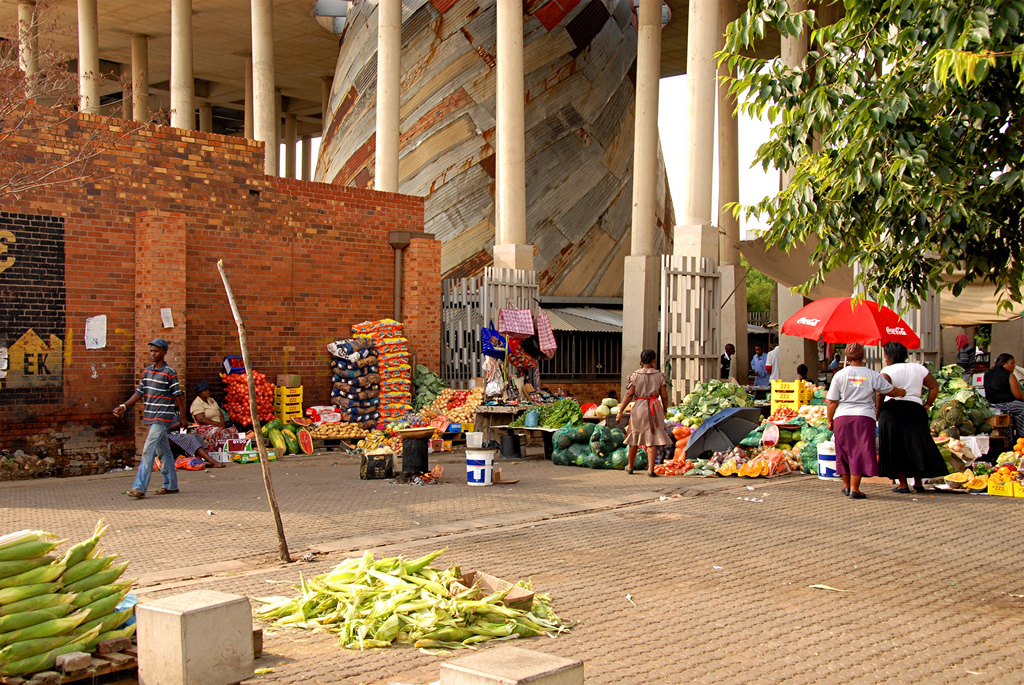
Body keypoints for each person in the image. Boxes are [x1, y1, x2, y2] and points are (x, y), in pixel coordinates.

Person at [826, 343, 906, 499]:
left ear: (847, 357)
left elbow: (832, 402)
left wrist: (829, 419)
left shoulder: (840, 375)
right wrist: (902, 391)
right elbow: (890, 390)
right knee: (860, 451)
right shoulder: (872, 374)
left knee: (844, 451)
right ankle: (855, 489)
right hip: (864, 417)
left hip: (842, 417)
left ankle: (846, 486)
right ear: (863, 356)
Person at [113, 338, 186, 498]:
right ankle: (171, 485)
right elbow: (140, 392)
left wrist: (183, 417)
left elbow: (178, 395)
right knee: (163, 451)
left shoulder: (169, 373)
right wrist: (124, 406)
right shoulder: (147, 372)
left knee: (148, 450)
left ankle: (139, 487)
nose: (152, 354)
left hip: (162, 418)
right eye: (151, 351)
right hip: (151, 417)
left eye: (156, 351)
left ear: (164, 352)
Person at [876, 342, 946, 493]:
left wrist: (878, 410)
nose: (885, 359)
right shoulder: (918, 368)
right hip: (915, 410)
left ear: (889, 356)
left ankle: (903, 485)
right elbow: (934, 386)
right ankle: (918, 482)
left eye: (885, 356)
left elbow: (881, 392)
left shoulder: (887, 371)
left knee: (896, 447)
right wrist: (928, 404)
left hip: (892, 411)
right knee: (916, 445)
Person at [620, 349, 671, 477]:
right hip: (655, 406)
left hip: (639, 407)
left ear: (641, 360)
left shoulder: (635, 376)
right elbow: (664, 396)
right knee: (652, 438)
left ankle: (630, 466)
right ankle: (651, 469)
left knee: (634, 437)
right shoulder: (660, 376)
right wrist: (665, 409)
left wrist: (621, 410)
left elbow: (629, 394)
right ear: (653, 360)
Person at [984, 354, 1024, 441]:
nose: (1014, 366)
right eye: (1012, 363)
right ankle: (1022, 436)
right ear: (1004, 363)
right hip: (1006, 404)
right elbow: (1018, 395)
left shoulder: (987, 373)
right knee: (1022, 408)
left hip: (991, 404)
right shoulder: (1009, 375)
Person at [190, 381, 236, 449]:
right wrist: (216, 424)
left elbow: (220, 413)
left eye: (208, 390)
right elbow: (201, 419)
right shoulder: (197, 403)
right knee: (217, 432)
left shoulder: (211, 400)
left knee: (233, 430)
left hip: (218, 425)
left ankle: (230, 449)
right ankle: (215, 449)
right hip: (206, 427)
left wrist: (222, 423)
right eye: (205, 391)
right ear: (199, 392)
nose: (208, 392)